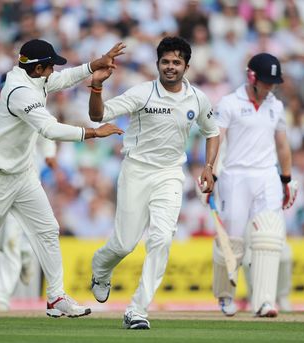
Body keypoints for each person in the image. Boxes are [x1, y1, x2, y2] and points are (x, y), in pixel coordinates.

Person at [0, 38, 125, 323]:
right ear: (38, 68)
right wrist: (93, 133)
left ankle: (56, 297)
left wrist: (94, 64)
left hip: (22, 173)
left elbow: (62, 79)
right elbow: (49, 129)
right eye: (50, 66)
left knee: (48, 229)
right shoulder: (19, 91)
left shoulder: (35, 78)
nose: (53, 70)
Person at [88, 36, 220, 329]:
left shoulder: (197, 98)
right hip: (136, 170)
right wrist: (97, 86)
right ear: (157, 64)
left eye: (176, 62)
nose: (170, 67)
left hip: (170, 174)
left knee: (161, 239)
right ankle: (100, 268)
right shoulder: (142, 93)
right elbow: (97, 115)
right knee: (124, 244)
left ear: (186, 65)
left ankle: (137, 309)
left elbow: (213, 131)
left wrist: (209, 167)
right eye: (165, 62)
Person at [210, 53, 298, 318]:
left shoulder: (276, 106)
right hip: (235, 176)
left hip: (266, 176)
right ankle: (226, 295)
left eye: (274, 82)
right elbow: (217, 138)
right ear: (252, 77)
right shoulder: (229, 103)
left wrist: (286, 179)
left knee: (268, 237)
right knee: (233, 240)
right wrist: (210, 172)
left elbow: (282, 144)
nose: (270, 86)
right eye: (266, 81)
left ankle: (264, 301)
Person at [0, 83, 57, 311]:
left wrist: (49, 155)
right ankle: (26, 253)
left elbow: (48, 133)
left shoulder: (34, 110)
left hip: (22, 183)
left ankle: (1, 299)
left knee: (10, 241)